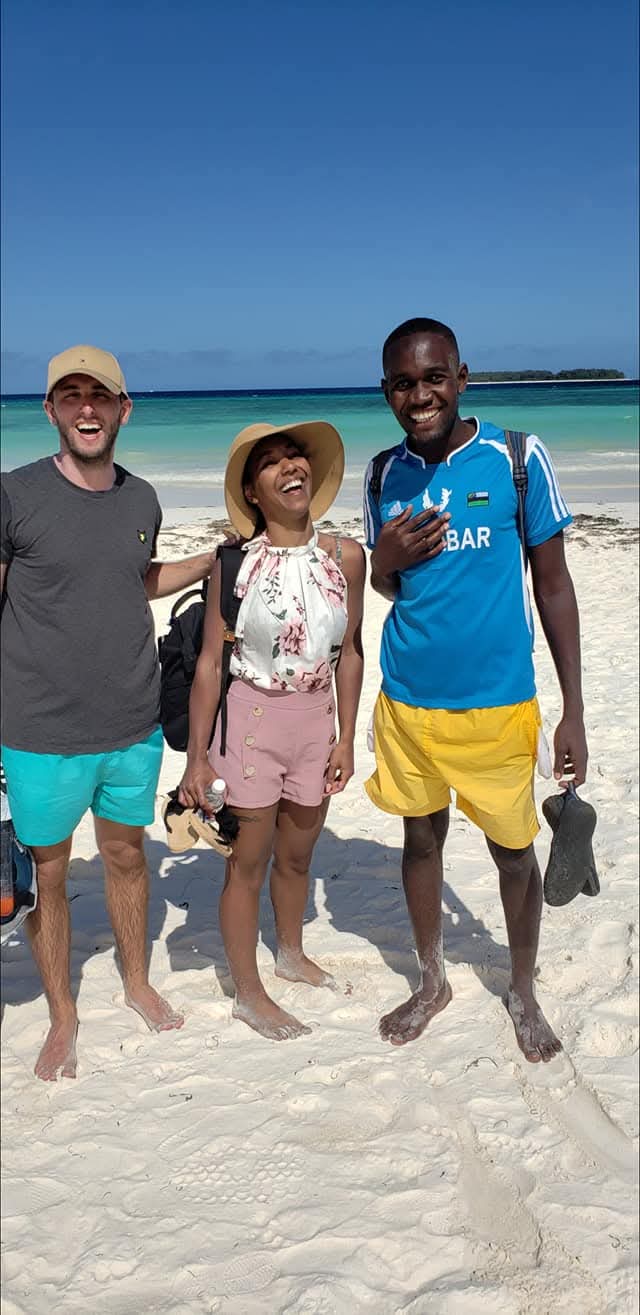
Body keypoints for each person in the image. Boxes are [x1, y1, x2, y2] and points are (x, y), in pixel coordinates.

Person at [363, 317, 587, 1063]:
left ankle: (522, 987)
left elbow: (553, 587)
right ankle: (433, 979)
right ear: (387, 391)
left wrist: (574, 711)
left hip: (499, 704)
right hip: (407, 703)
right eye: (404, 381)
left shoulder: (517, 458)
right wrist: (383, 558)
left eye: (433, 377)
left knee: (514, 853)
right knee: (419, 838)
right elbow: (387, 583)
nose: (420, 394)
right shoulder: (380, 474)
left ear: (463, 376)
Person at [0, 345, 219, 1081]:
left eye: (101, 395)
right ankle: (63, 1015)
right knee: (51, 873)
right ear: (51, 409)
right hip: (40, 730)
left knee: (127, 856)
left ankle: (135, 980)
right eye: (71, 396)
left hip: (133, 721)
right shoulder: (14, 495)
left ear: (125, 409)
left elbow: (139, 578)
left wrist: (214, 561)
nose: (86, 408)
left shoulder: (143, 498)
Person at [179, 421, 365, 1040]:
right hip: (251, 724)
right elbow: (209, 663)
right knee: (248, 864)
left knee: (298, 855)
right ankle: (248, 993)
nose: (291, 468)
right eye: (272, 462)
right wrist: (197, 759)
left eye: (296, 457)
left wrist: (344, 736)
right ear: (253, 490)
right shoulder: (233, 564)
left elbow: (353, 651)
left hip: (316, 725)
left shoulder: (345, 557)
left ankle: (289, 952)